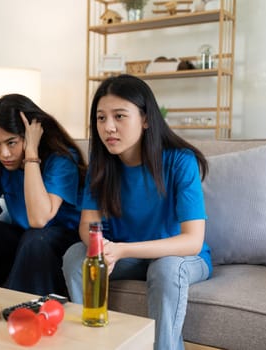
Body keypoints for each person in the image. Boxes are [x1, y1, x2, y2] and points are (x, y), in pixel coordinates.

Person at [62, 75, 211, 350]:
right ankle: (90, 343)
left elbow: (192, 241)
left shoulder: (180, 160)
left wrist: (122, 250)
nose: (108, 127)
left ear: (145, 119)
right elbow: (88, 225)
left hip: (178, 257)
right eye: (101, 118)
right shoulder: (101, 162)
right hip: (124, 254)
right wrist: (103, 248)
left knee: (166, 268)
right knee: (76, 257)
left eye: (119, 116)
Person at [0, 93, 87, 296]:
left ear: (31, 134)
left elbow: (39, 219)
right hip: (26, 240)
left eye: (11, 143)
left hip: (60, 242)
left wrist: (31, 153)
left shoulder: (61, 158)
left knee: (36, 238)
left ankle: (22, 314)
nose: (4, 153)